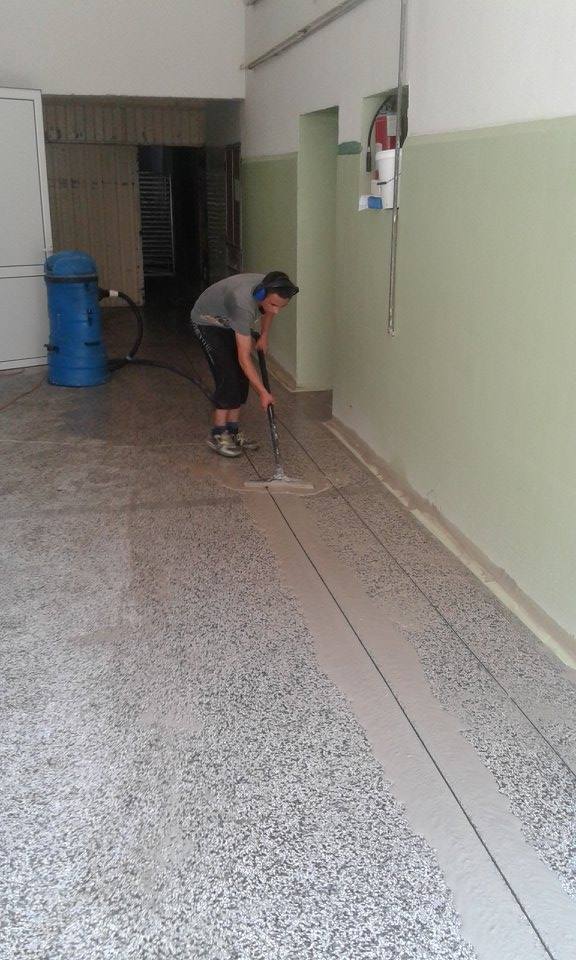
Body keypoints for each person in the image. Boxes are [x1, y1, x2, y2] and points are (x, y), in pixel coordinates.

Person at [191, 271, 299, 457]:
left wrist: (264, 335)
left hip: (229, 320)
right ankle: (218, 434)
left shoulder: (270, 289)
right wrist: (262, 392)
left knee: (241, 379)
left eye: (281, 306)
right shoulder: (242, 304)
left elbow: (268, 311)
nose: (276, 310)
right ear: (261, 295)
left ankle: (232, 431)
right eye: (274, 305)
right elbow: (244, 358)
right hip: (207, 322)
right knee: (228, 376)